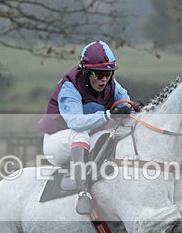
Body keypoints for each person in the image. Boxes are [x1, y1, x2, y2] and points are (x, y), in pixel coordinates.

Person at [38, 40, 135, 215]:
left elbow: (127, 106)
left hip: (88, 139)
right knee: (79, 134)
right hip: (56, 141)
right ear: (86, 71)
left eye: (108, 73)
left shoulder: (112, 85)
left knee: (112, 135)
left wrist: (134, 111)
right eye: (98, 74)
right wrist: (108, 115)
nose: (104, 79)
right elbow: (75, 123)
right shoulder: (70, 86)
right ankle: (83, 192)